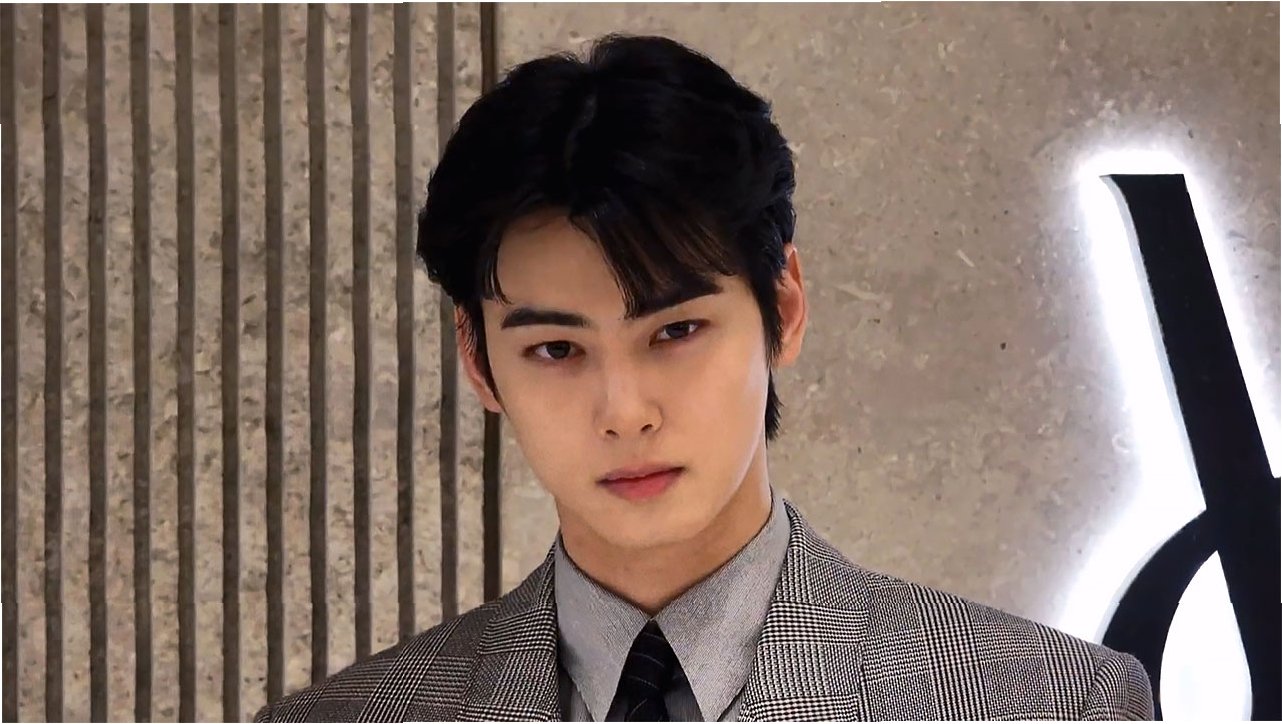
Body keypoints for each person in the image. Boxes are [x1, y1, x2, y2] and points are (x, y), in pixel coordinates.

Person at [255, 33, 1154, 722]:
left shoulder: (1046, 703)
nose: (625, 412)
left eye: (676, 331)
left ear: (783, 306)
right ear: (478, 359)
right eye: (557, 350)